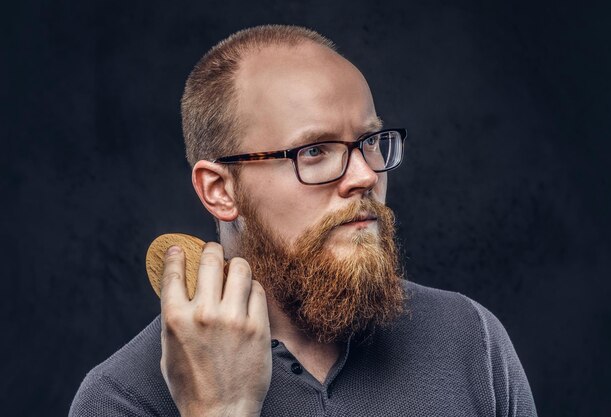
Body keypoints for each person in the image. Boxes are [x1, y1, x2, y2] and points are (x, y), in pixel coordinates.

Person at [70, 24, 538, 417]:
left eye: (370, 142)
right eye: (314, 151)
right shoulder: (122, 398)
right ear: (220, 190)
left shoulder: (468, 339)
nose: (364, 176)